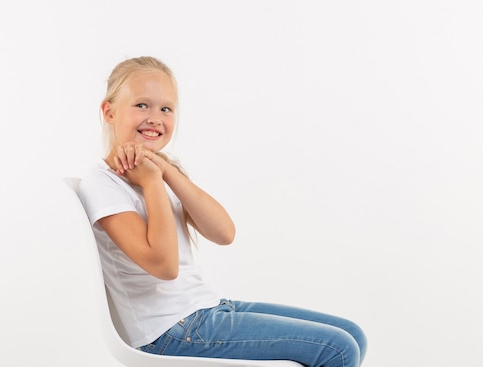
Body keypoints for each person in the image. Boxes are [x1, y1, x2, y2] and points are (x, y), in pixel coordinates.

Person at [78, 56, 367, 367]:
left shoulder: (157, 173)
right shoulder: (102, 183)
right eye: (141, 105)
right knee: (338, 350)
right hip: (169, 331)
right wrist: (151, 183)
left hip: (206, 308)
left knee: (352, 334)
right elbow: (165, 266)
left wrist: (165, 171)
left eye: (166, 109)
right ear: (109, 111)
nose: (155, 118)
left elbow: (224, 233)